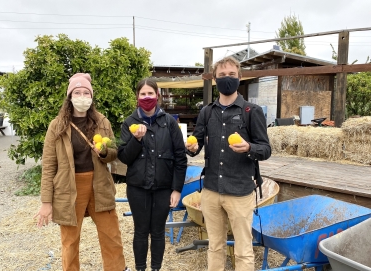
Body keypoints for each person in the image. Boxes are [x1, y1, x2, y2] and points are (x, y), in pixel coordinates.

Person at [34, 73, 130, 271]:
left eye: (86, 92)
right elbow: (49, 164)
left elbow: (114, 152)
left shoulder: (102, 122)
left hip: (100, 185)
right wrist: (46, 202)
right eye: (77, 92)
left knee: (111, 237)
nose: (82, 96)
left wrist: (104, 152)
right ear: (69, 96)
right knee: (70, 241)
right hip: (69, 187)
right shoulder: (57, 126)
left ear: (91, 96)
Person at [186, 56, 271, 271]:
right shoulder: (207, 112)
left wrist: (249, 148)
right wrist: (192, 148)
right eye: (222, 75)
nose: (227, 79)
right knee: (215, 247)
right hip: (211, 190)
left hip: (240, 192)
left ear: (239, 78)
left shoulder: (251, 111)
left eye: (231, 75)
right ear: (215, 79)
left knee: (243, 249)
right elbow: (197, 144)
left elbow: (265, 149)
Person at [117, 78, 187, 271]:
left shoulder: (169, 123)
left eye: (150, 93)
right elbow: (124, 157)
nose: (146, 97)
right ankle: (140, 268)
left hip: (163, 188)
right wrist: (136, 140)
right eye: (142, 94)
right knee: (140, 231)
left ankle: (156, 268)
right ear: (137, 97)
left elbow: (180, 158)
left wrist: (176, 189)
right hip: (137, 188)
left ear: (157, 95)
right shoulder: (129, 123)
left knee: (157, 232)